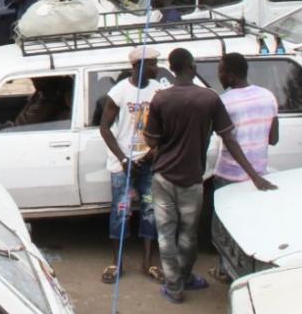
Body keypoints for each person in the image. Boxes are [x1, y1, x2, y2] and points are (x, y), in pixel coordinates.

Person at [144, 47, 276, 304]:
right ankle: (187, 276)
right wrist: (255, 176)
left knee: (166, 234)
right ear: (191, 67)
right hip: (192, 178)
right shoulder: (210, 99)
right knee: (187, 234)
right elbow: (230, 139)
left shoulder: (160, 99)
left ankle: (174, 287)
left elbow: (151, 140)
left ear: (171, 69)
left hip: (163, 177)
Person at [207, 51, 280, 282]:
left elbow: (228, 139)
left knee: (225, 229)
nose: (219, 75)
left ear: (229, 74)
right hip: (259, 173)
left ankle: (225, 270)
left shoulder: (224, 102)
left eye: (220, 71)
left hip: (229, 174)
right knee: (252, 225)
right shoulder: (268, 96)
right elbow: (273, 138)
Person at [99, 45, 168, 285]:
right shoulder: (119, 92)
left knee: (149, 210)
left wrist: (153, 151)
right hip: (123, 165)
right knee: (121, 211)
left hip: (149, 162)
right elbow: (104, 128)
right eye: (151, 64)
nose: (156, 68)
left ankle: (148, 262)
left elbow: (165, 127)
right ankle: (116, 263)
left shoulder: (159, 91)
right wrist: (123, 159)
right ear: (137, 66)